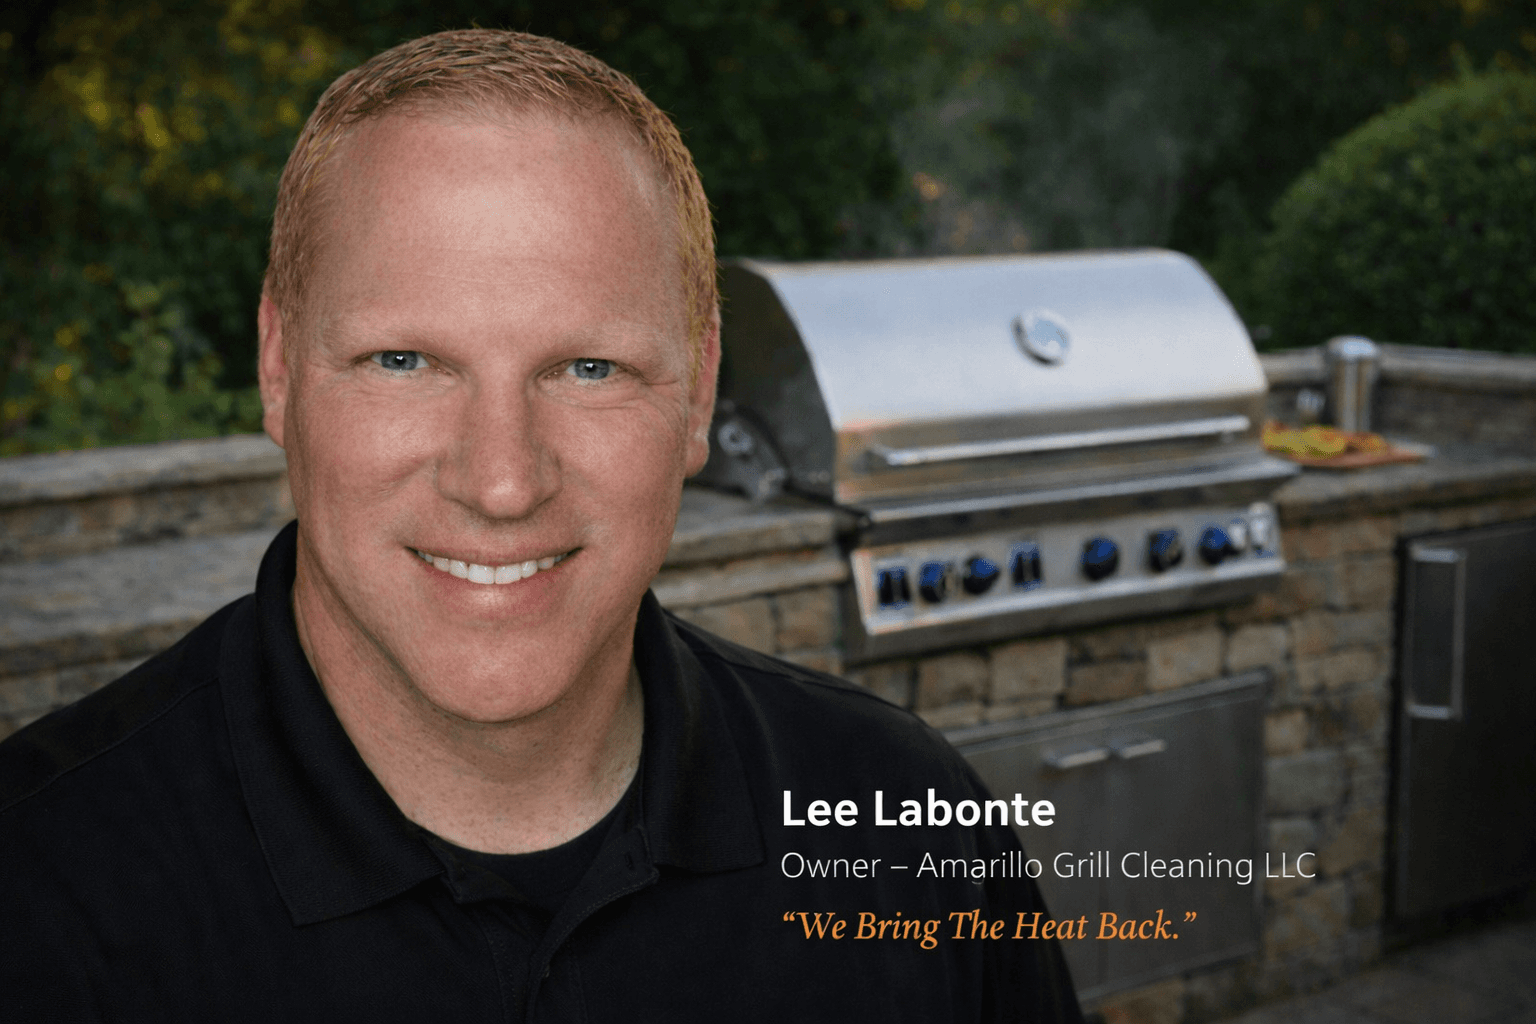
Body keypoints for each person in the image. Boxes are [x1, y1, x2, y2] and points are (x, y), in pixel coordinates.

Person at [0, 29, 1083, 1022]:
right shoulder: (36, 884)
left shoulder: (903, 818)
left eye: (587, 367)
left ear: (698, 395)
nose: (503, 482)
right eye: (405, 360)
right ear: (279, 371)